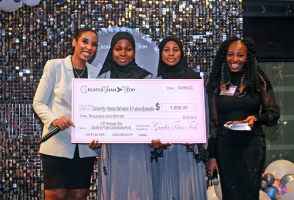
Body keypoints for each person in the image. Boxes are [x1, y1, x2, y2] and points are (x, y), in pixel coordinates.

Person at [206, 37, 280, 200]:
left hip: (252, 146)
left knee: (250, 194)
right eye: (230, 54)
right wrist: (212, 156)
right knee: (229, 194)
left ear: (248, 57)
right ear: (225, 56)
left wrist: (256, 118)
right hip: (225, 147)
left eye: (240, 55)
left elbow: (274, 114)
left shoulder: (258, 80)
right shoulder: (217, 82)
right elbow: (213, 122)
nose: (235, 59)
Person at [33, 27, 101, 200]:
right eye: (85, 41)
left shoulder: (96, 74)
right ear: (74, 42)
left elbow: (99, 110)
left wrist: (98, 134)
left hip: (85, 149)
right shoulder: (55, 66)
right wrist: (54, 120)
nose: (89, 47)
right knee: (56, 195)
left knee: (79, 196)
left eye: (93, 44)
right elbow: (38, 103)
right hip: (57, 144)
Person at [89, 32, 153, 200]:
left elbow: (152, 114)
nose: (123, 54)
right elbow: (96, 115)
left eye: (128, 49)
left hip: (138, 148)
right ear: (111, 51)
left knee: (137, 191)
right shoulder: (102, 79)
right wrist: (93, 135)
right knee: (113, 192)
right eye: (118, 49)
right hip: (111, 148)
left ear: (134, 52)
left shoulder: (146, 78)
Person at [150, 36, 208, 200]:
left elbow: (204, 115)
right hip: (164, 153)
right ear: (161, 53)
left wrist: (197, 138)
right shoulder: (154, 83)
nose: (171, 54)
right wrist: (151, 139)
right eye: (166, 50)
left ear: (182, 53)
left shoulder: (194, 80)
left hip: (187, 153)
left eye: (175, 50)